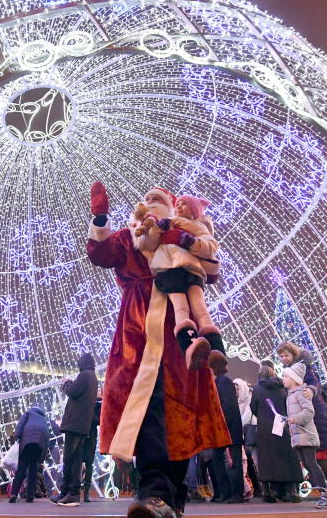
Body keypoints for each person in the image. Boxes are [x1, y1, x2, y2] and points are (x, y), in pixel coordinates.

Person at [86, 182, 230, 518]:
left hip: (182, 340)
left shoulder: (180, 234)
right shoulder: (130, 236)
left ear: (172, 207)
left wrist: (188, 240)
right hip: (137, 340)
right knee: (147, 414)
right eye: (146, 198)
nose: (149, 202)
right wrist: (101, 217)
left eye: (158, 199)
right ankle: (153, 493)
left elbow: (211, 271)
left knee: (181, 414)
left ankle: (173, 499)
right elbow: (101, 254)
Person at [134, 194, 224, 371]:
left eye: (184, 204)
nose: (179, 207)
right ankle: (190, 346)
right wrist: (157, 229)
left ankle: (217, 352)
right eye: (178, 204)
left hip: (191, 270)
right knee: (181, 308)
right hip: (170, 269)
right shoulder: (167, 222)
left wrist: (192, 242)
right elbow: (147, 244)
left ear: (194, 210)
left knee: (201, 311)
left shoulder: (198, 226)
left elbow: (211, 246)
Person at [278, 342, 327, 506]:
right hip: (310, 421)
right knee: (315, 461)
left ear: (293, 355)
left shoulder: (302, 370)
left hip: (314, 422)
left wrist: (312, 390)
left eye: (286, 355)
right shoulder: (295, 372)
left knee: (320, 459)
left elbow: (314, 384)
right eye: (281, 356)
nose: (283, 359)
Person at [284, 362, 327, 508]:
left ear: (294, 379)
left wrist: (295, 419)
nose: (283, 379)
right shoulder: (290, 396)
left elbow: (309, 412)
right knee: (308, 464)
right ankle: (325, 493)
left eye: (285, 376)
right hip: (298, 436)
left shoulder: (301, 393)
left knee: (312, 464)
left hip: (306, 435)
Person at [249, 362, 302, 503]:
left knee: (268, 460)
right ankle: (290, 491)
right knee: (287, 457)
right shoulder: (283, 388)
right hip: (283, 427)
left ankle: (269, 492)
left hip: (265, 429)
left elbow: (253, 408)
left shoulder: (257, 389)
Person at [53, 352, 98, 506]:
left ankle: (69, 492)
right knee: (76, 459)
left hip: (75, 424)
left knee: (69, 459)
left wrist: (66, 384)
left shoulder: (85, 375)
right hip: (82, 425)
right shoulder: (93, 377)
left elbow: (72, 392)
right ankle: (69, 492)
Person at [209, 361, 244, 504]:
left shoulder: (224, 381)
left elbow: (228, 405)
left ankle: (236, 493)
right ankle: (226, 492)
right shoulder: (220, 381)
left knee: (234, 462)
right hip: (223, 428)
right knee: (217, 459)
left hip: (229, 428)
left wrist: (220, 422)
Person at [10, 406, 51, 503]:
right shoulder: (43, 418)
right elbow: (46, 437)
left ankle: (14, 494)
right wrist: (42, 456)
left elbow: (20, 425)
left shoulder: (28, 413)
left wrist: (16, 436)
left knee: (21, 468)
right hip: (39, 443)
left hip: (27, 441)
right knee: (33, 469)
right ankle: (30, 495)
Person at [81, 394, 103, 502]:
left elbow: (99, 421)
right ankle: (82, 492)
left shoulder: (97, 405)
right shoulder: (94, 404)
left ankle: (85, 492)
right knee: (84, 464)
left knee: (88, 464)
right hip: (85, 435)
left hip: (87, 436)